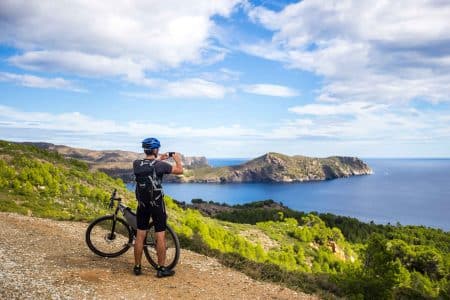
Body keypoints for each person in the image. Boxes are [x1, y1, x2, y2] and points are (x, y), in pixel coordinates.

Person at [132, 137, 183, 277]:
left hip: (142, 204)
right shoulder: (160, 166)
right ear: (155, 149)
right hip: (157, 204)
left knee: (140, 235)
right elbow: (179, 171)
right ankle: (161, 269)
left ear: (144, 149)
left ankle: (137, 267)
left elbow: (149, 165)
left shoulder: (136, 163)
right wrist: (176, 158)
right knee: (160, 235)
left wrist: (160, 158)